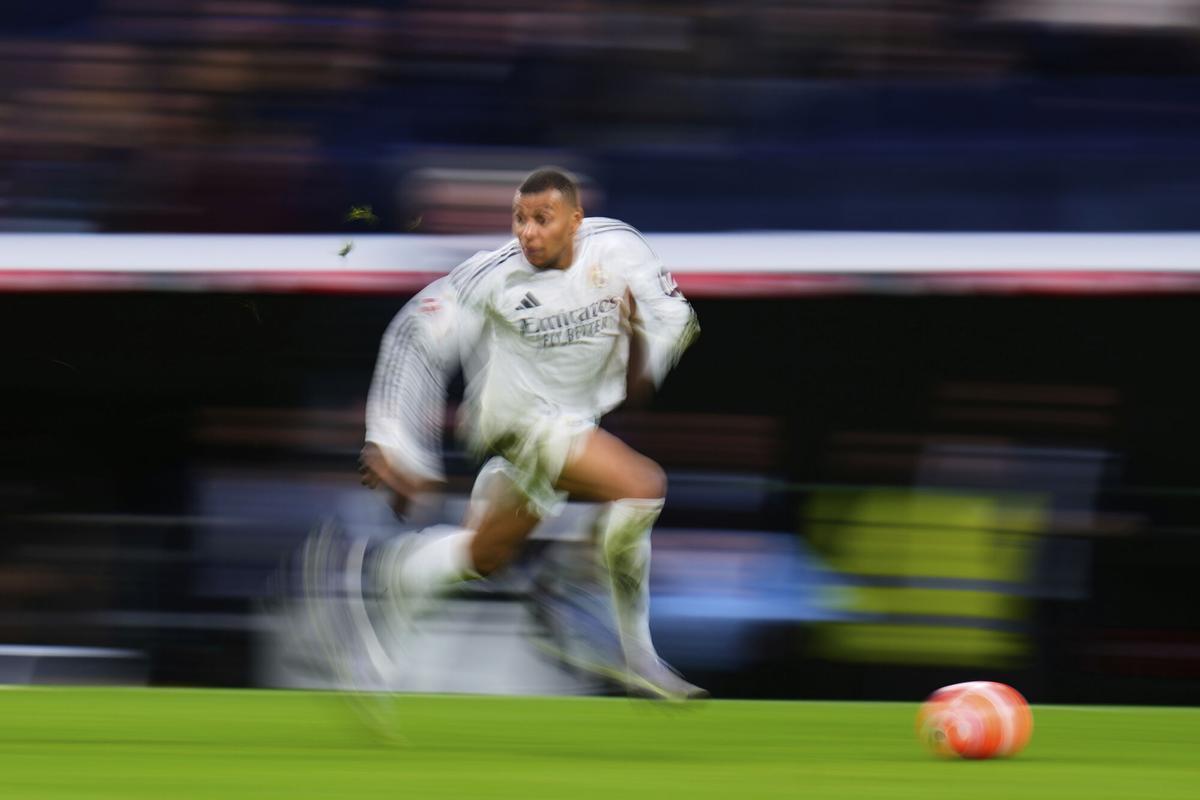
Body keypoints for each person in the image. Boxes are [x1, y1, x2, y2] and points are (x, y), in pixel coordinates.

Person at [306, 167, 704, 700]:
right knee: (642, 486)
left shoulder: (620, 249)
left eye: (542, 219)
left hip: (573, 422)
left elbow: (675, 315)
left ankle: (395, 570)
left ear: (575, 221)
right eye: (520, 219)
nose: (528, 233)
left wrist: (642, 350)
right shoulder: (491, 276)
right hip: (516, 424)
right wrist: (392, 441)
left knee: (481, 557)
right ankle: (629, 651)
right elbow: (414, 335)